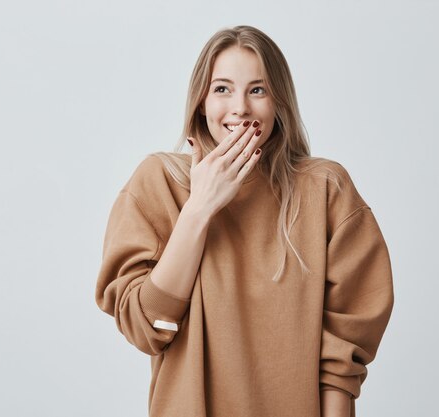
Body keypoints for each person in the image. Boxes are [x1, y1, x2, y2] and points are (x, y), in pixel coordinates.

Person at [94, 25, 394, 417]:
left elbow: (344, 353)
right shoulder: (158, 182)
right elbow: (146, 327)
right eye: (222, 89)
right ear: (201, 102)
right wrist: (199, 208)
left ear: (279, 102)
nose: (240, 108)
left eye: (258, 90)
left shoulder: (325, 189)